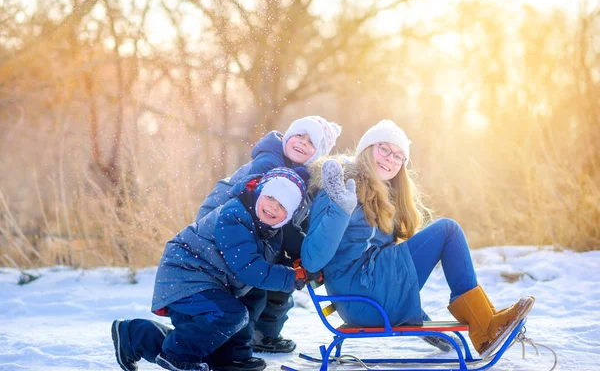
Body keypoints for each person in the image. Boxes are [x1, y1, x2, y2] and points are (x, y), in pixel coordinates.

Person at [301, 119, 535, 358]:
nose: (390, 158)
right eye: (384, 149)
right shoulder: (338, 188)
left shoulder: (380, 196)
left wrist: (419, 319)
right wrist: (341, 208)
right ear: (366, 149)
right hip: (361, 297)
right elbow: (311, 260)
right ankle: (485, 327)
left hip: (368, 295)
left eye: (398, 156)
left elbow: (381, 258)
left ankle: (487, 322)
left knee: (446, 232)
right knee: (447, 231)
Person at [111, 167, 322, 371]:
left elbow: (288, 252)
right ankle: (177, 356)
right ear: (259, 192)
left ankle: (225, 357)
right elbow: (249, 268)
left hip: (213, 282)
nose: (273, 207)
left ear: (289, 214)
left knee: (241, 309)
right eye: (270, 197)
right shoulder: (235, 216)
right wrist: (292, 276)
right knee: (229, 314)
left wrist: (307, 266)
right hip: (186, 275)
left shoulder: (273, 228)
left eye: (283, 206)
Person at [196, 115, 342, 354]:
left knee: (283, 273)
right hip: (221, 226)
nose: (302, 142)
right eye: (298, 135)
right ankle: (240, 339)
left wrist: (302, 255)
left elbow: (291, 221)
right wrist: (299, 255)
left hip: (252, 229)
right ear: (287, 136)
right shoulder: (269, 164)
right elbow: (273, 218)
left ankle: (260, 334)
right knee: (263, 275)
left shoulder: (303, 177)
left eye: (311, 142)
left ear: (318, 154)